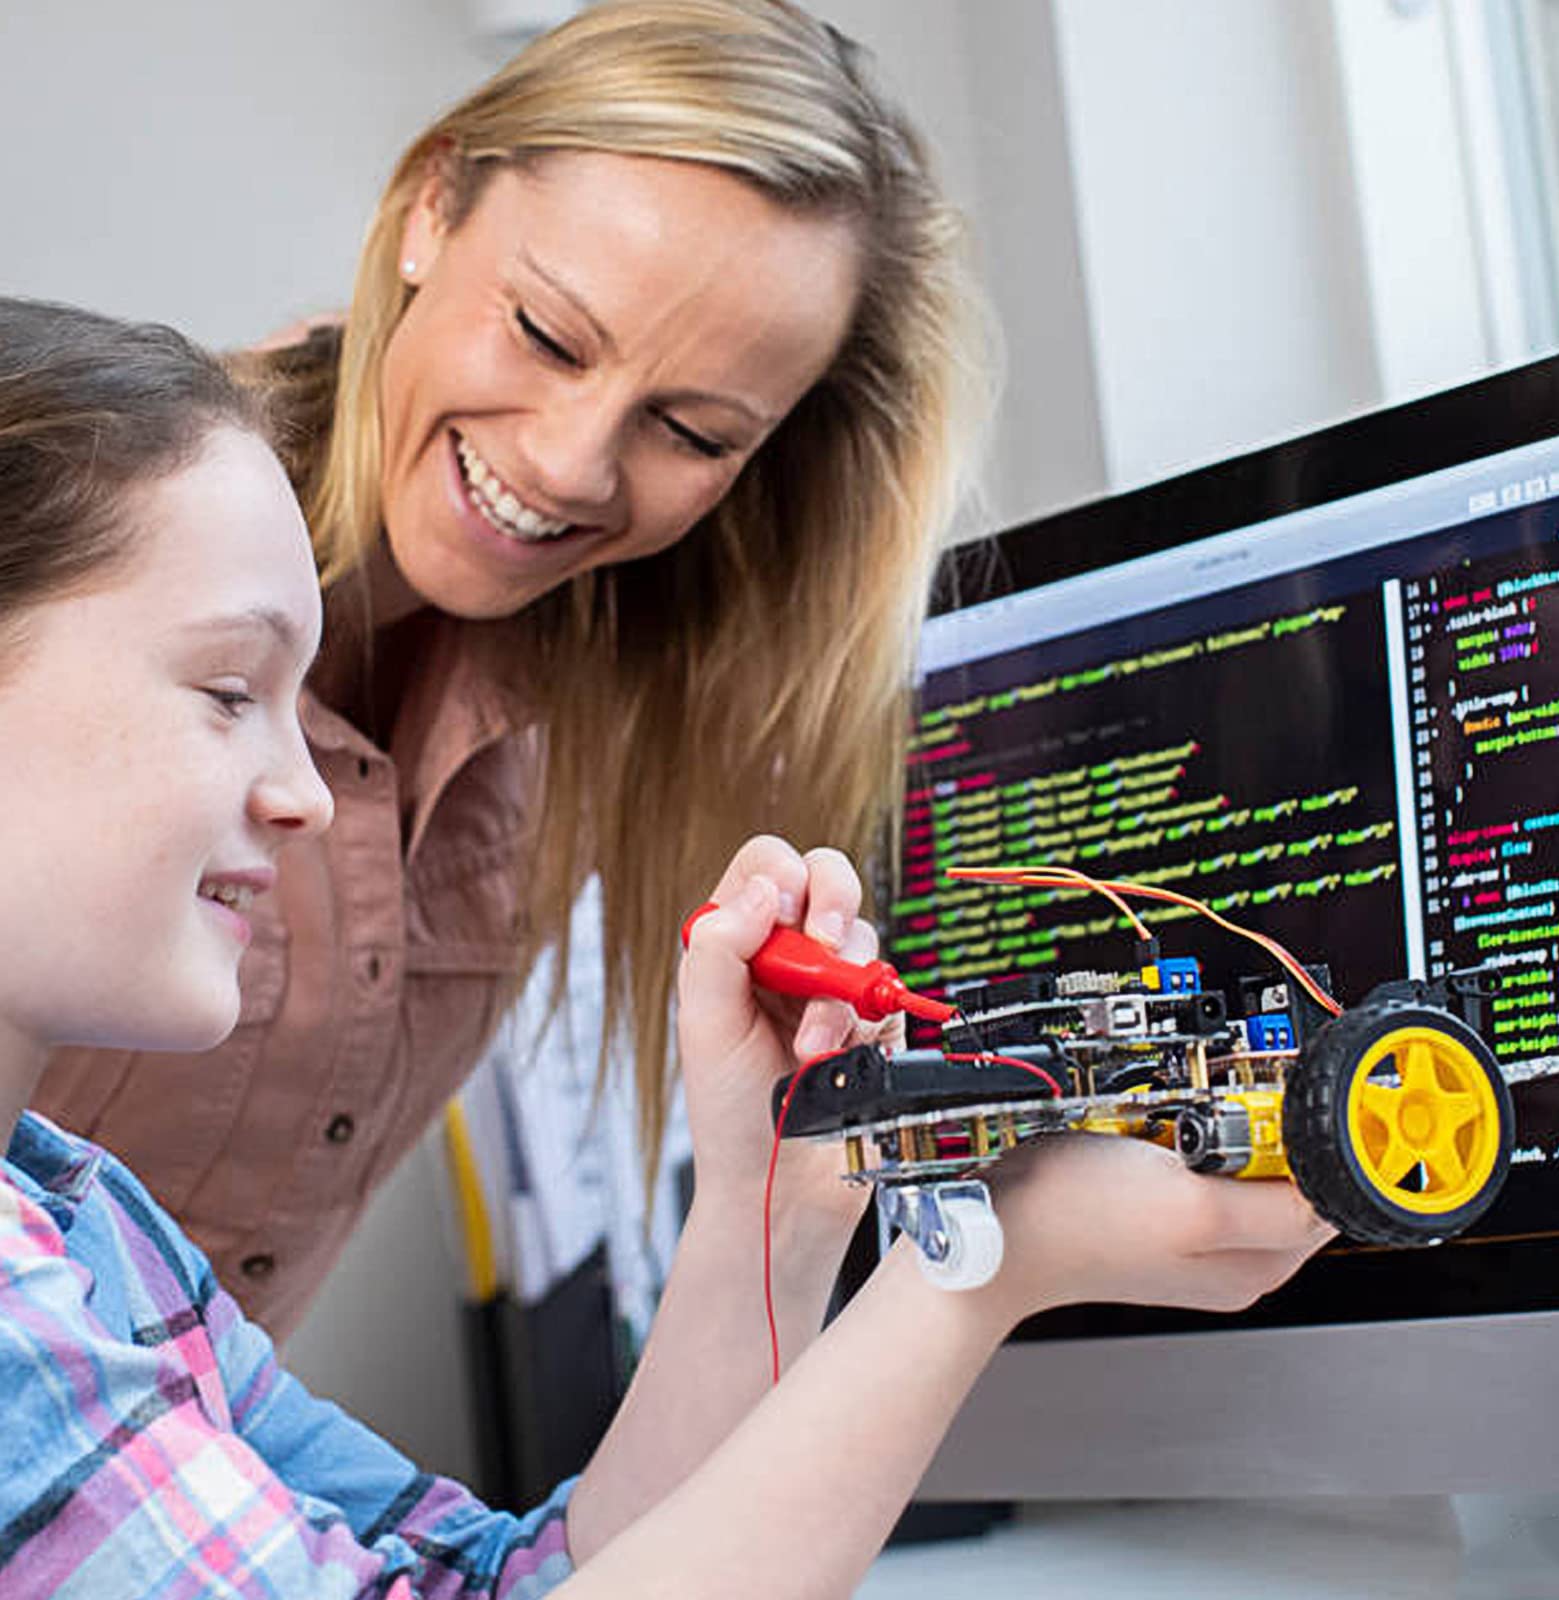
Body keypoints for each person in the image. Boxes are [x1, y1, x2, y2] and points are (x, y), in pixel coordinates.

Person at [0, 296, 1333, 1596]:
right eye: (228, 690)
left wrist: (773, 1199)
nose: (303, 792)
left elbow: (517, 1581)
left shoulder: (87, 1224)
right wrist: (981, 1272)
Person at [35, 0, 995, 1339]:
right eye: (546, 335)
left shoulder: (578, 710)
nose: (567, 464)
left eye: (691, 432)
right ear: (434, 206)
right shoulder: (73, 542)